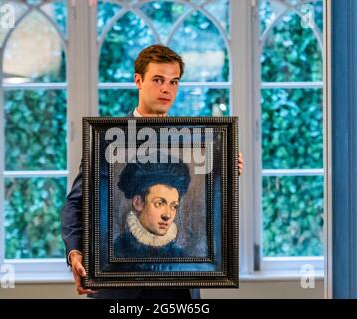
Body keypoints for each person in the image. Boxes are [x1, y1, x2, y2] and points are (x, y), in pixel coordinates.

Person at [61, 44, 244, 298]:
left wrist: (224, 173)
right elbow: (75, 204)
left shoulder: (195, 143)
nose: (167, 89)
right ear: (138, 80)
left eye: (174, 82)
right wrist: (75, 253)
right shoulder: (107, 139)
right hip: (120, 287)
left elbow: (205, 209)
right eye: (158, 80)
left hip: (180, 288)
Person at [114, 154, 191, 260]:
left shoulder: (181, 256)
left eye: (174, 206)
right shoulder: (116, 250)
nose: (167, 215)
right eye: (159, 203)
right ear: (138, 203)